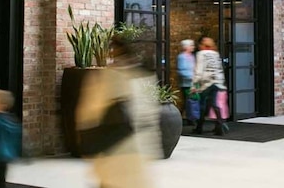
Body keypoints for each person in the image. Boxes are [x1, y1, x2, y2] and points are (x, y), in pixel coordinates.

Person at [76, 35, 160, 188]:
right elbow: (150, 116)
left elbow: (89, 113)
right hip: (136, 148)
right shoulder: (145, 76)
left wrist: (87, 142)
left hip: (114, 148)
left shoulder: (107, 76)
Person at [192, 36, 228, 136]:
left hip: (206, 83)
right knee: (214, 103)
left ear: (202, 45)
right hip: (217, 82)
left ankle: (199, 128)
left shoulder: (201, 54)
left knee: (202, 105)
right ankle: (219, 126)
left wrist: (194, 84)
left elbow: (198, 70)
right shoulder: (215, 54)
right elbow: (219, 69)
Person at [176, 39, 196, 125]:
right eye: (191, 45)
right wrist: (191, 77)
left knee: (189, 100)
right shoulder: (182, 57)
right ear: (186, 47)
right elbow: (181, 70)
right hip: (186, 82)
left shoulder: (191, 56)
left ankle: (189, 117)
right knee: (189, 100)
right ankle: (189, 118)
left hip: (193, 82)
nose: (193, 47)